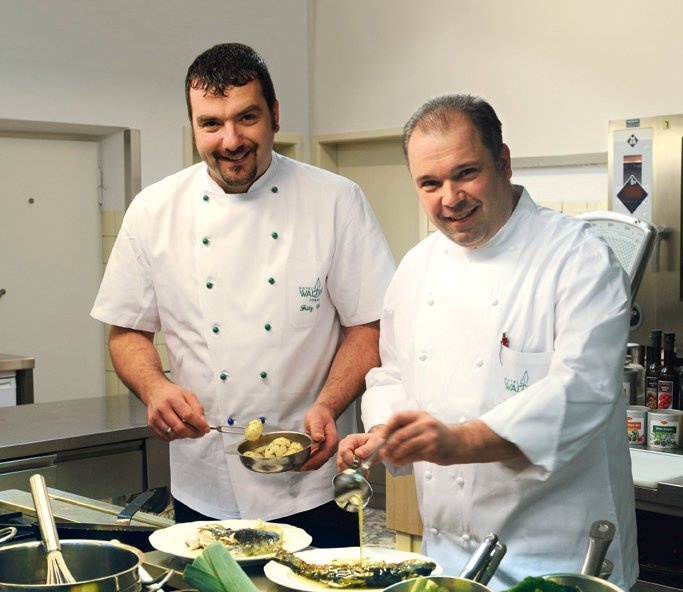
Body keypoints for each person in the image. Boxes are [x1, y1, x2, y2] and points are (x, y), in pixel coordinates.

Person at [91, 42, 395, 547]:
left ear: (274, 114)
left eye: (246, 118)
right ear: (193, 126)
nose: (230, 140)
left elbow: (369, 326)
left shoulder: (335, 201)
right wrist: (155, 388)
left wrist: (329, 403)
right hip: (203, 478)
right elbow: (126, 333)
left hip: (312, 479)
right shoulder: (153, 210)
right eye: (211, 123)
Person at [337, 94, 638, 589]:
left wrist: (457, 441)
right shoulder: (416, 267)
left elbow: (581, 393)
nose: (450, 198)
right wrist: (385, 433)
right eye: (430, 183)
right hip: (450, 558)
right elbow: (393, 373)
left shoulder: (578, 258)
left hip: (558, 555)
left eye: (466, 173)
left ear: (503, 162)